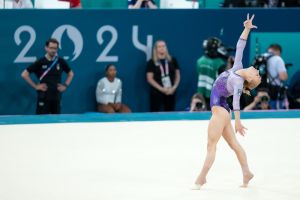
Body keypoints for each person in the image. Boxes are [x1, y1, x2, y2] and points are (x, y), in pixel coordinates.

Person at [192, 14, 261, 189]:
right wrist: (246, 28)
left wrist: (238, 122)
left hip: (220, 110)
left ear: (251, 80)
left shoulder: (238, 82)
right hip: (222, 109)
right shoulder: (237, 67)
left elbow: (237, 102)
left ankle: (201, 178)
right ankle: (246, 172)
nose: (257, 70)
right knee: (234, 145)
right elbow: (240, 46)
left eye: (258, 74)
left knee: (211, 145)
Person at [21, 38, 74, 114]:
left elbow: (71, 73)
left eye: (55, 48)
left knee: (56, 123)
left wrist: (65, 85)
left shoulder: (60, 61)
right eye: (51, 48)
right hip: (43, 97)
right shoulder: (40, 62)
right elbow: (24, 74)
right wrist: (36, 86)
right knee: (41, 122)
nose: (53, 50)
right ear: (46, 48)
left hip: (56, 98)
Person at [146, 40, 180, 112]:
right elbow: (149, 79)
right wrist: (162, 89)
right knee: (154, 113)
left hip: (170, 91)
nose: (162, 48)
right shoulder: (151, 62)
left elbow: (178, 75)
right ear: (156, 49)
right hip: (157, 92)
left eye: (163, 46)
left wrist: (174, 87)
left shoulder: (172, 60)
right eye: (159, 46)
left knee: (170, 113)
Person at [196, 37, 226, 110]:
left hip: (201, 93)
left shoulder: (199, 61)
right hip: (215, 96)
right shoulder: (220, 63)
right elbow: (224, 79)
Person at [265, 43, 288, 109]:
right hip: (275, 91)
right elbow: (283, 77)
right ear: (278, 51)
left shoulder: (264, 59)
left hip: (264, 90)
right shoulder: (278, 59)